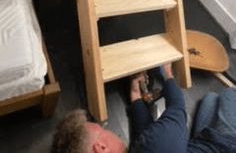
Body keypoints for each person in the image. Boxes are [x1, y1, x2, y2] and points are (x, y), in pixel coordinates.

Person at [51, 64, 236, 153]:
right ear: (100, 147)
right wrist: (167, 74)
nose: (108, 130)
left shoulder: (149, 147)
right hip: (225, 146)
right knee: (229, 94)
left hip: (190, 146)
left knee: (211, 100)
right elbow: (177, 108)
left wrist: (135, 96)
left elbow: (143, 139)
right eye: (103, 130)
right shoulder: (158, 146)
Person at [130, 65, 236, 153]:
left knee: (212, 98)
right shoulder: (166, 145)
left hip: (203, 142)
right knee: (227, 93)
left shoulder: (159, 145)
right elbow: (176, 105)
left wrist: (135, 94)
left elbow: (144, 135)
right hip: (228, 142)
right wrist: (167, 72)